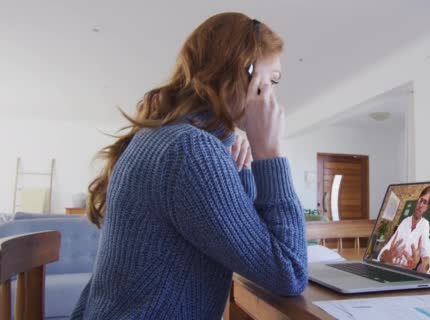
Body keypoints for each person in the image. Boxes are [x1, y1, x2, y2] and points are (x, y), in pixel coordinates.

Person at [70, 12, 307, 319]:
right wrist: (270, 152)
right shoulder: (191, 151)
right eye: (271, 80)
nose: (273, 96)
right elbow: (289, 271)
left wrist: (245, 168)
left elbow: (246, 243)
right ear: (244, 72)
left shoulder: (166, 137)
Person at [378, 187, 430, 273]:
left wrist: (418, 265)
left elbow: (427, 257)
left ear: (427, 207)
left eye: (425, 202)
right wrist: (386, 256)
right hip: (391, 269)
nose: (421, 205)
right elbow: (387, 248)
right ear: (417, 200)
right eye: (421, 200)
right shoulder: (404, 221)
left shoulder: (425, 224)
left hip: (406, 272)